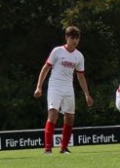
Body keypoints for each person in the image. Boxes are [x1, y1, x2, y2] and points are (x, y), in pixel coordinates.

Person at [33, 26, 94, 155]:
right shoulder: (57, 51)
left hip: (68, 88)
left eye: (77, 38)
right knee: (53, 114)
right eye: (72, 37)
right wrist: (39, 86)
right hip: (55, 86)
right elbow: (45, 68)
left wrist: (87, 94)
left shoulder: (79, 56)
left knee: (70, 117)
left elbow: (80, 76)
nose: (75, 41)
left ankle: (64, 148)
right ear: (67, 37)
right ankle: (48, 149)